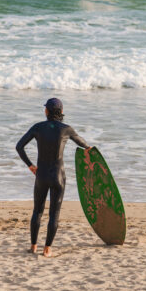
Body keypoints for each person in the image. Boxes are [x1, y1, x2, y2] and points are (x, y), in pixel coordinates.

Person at [16, 98, 91, 257]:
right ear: (61, 112)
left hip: (41, 175)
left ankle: (33, 246)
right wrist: (90, 150)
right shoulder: (66, 129)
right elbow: (82, 143)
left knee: (37, 211)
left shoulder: (38, 127)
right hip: (58, 176)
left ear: (47, 111)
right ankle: (47, 249)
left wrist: (30, 165)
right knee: (54, 214)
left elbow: (19, 146)